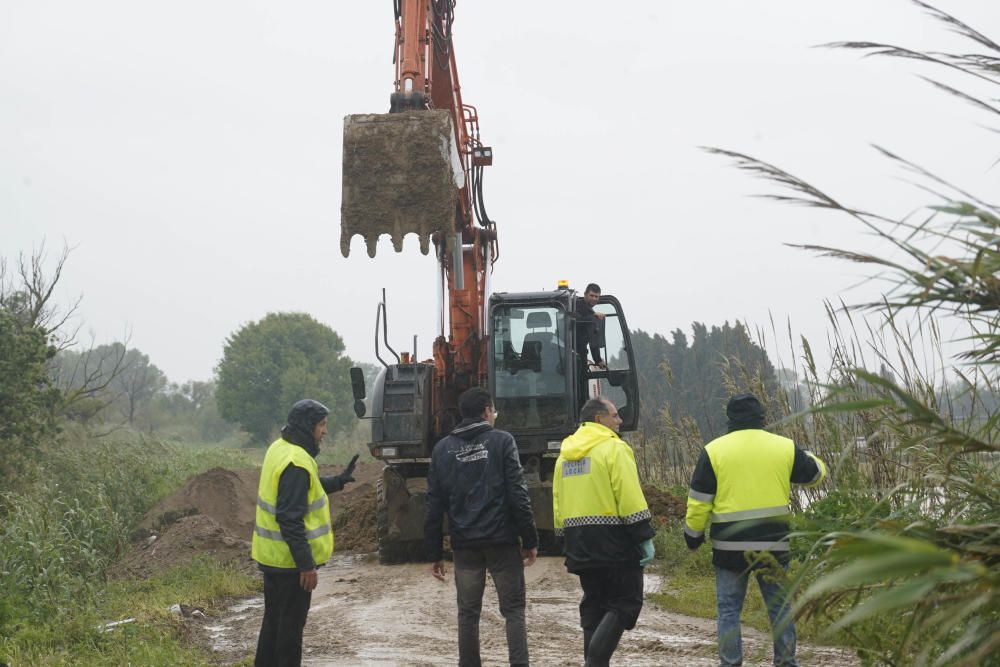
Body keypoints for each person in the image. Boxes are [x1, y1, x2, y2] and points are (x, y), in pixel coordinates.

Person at [685, 393, 827, 667]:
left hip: (729, 549)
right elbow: (816, 475)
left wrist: (693, 536)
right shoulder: (784, 447)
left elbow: (699, 502)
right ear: (762, 417)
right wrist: (807, 454)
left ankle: (730, 662)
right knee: (780, 609)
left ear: (730, 419)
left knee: (728, 611)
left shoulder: (714, 450)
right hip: (773, 545)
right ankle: (786, 662)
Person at [425, 386, 539, 667]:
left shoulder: (442, 450)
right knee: (513, 610)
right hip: (502, 542)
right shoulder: (502, 442)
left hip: (465, 546)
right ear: (487, 411)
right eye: (493, 411)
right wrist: (530, 538)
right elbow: (517, 493)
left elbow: (434, 505)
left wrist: (434, 552)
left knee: (468, 613)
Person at [251, 399, 359, 667]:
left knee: (273, 626)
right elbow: (290, 518)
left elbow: (304, 487)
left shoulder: (281, 449)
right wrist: (306, 565)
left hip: (274, 560)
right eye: (322, 425)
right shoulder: (296, 461)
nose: (325, 431)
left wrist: (338, 481)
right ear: (307, 427)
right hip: (290, 565)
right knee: (289, 634)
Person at [553, 397, 656, 667]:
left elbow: (557, 500)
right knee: (626, 602)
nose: (619, 420)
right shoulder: (614, 449)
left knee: (594, 607)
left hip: (578, 542)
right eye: (615, 415)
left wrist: (562, 538)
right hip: (614, 541)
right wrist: (643, 535)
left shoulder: (564, 455)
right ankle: (594, 664)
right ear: (599, 419)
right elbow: (629, 495)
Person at [574, 283, 606, 370]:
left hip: (580, 352)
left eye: (596, 296)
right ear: (585, 294)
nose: (594, 298)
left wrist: (597, 359)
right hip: (571, 352)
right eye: (591, 295)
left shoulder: (589, 311)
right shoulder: (576, 305)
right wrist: (598, 360)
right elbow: (577, 320)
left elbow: (593, 338)